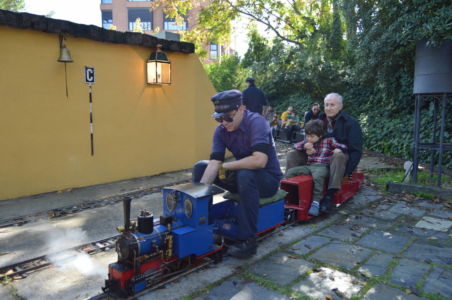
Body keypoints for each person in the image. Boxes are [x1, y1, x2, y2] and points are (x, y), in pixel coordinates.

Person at [192, 89, 283, 259]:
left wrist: (227, 167)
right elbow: (214, 164)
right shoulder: (221, 131)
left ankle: (248, 241)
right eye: (219, 118)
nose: (224, 123)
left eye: (228, 117)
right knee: (200, 167)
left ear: (241, 109)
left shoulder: (257, 123)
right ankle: (201, 222)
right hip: (242, 176)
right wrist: (197, 195)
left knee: (244, 174)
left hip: (267, 180)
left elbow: (259, 161)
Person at [285, 93, 363, 211]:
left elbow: (356, 151)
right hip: (317, 154)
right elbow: (309, 136)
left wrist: (346, 173)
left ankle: (329, 195)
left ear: (340, 106)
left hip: (340, 156)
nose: (328, 108)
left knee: (337, 154)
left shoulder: (351, 123)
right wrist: (306, 145)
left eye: (332, 105)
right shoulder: (319, 119)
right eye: (326, 105)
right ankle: (292, 187)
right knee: (293, 154)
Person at [286, 120, 347, 215]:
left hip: (322, 167)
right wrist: (304, 146)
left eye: (312, 136)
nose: (309, 138)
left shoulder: (329, 140)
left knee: (318, 177)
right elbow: (296, 145)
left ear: (320, 135)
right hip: (309, 166)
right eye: (307, 136)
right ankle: (290, 193)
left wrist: (339, 149)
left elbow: (342, 146)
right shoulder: (307, 141)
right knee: (291, 172)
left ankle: (316, 202)